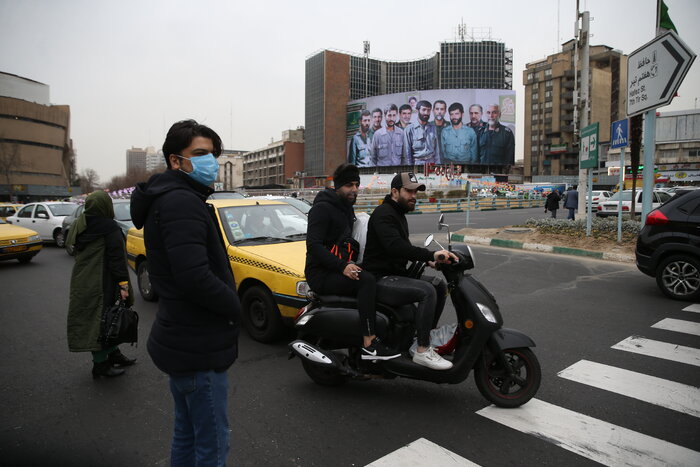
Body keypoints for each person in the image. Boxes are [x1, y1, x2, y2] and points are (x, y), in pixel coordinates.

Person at [130, 119, 241, 466]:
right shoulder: (182, 202)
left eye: (214, 154)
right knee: (212, 442)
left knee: (187, 432)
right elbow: (195, 277)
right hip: (198, 345)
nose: (211, 161)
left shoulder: (172, 198)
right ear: (175, 161)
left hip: (182, 338)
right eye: (201, 154)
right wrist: (233, 306)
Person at [363, 172, 457, 370]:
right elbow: (395, 247)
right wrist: (430, 255)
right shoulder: (384, 213)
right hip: (380, 278)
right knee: (427, 291)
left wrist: (431, 261)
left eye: (415, 191)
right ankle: (422, 350)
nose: (413, 195)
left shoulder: (397, 213)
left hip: (395, 274)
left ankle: (424, 336)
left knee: (438, 285)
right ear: (395, 191)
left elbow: (402, 249)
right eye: (409, 191)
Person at [305, 163, 400, 360]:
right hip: (321, 274)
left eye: (357, 185)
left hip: (338, 266)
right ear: (337, 185)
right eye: (349, 185)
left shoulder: (346, 208)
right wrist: (343, 266)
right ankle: (369, 342)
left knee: (374, 273)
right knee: (366, 280)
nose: (355, 190)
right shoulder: (322, 208)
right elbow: (313, 246)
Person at [67, 191, 136, 379]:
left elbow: (70, 246)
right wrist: (124, 286)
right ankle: (100, 365)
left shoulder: (79, 223)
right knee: (104, 320)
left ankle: (113, 354)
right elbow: (116, 259)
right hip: (103, 280)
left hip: (83, 279)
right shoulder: (109, 227)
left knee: (98, 318)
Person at [404, 100, 440, 165]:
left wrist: (438, 165)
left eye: (428, 110)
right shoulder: (409, 129)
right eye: (423, 110)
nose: (426, 112)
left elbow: (437, 151)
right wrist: (410, 168)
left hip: (431, 163)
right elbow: (407, 154)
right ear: (418, 110)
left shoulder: (433, 128)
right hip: (417, 163)